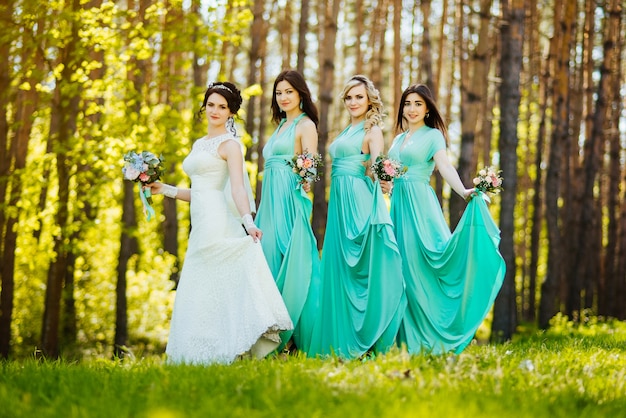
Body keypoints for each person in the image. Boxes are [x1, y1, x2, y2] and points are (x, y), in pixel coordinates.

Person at [146, 82, 293, 364]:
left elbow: (237, 188)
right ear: (204, 107)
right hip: (200, 218)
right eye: (211, 105)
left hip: (217, 219)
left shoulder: (231, 146)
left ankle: (224, 349)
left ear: (231, 113)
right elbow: (199, 190)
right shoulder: (199, 144)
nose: (215, 111)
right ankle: (196, 353)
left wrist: (248, 222)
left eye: (222, 107)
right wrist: (165, 189)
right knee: (201, 283)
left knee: (214, 281)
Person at [381, 84, 505, 355]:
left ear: (427, 109)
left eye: (418, 104)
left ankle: (432, 335)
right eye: (407, 103)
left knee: (422, 264)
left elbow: (444, 166)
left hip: (420, 207)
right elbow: (390, 173)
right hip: (398, 207)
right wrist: (385, 183)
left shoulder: (433, 136)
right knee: (400, 267)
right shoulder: (397, 140)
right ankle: (402, 339)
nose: (411, 109)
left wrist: (463, 192)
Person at [307, 75, 407, 359]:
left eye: (359, 97)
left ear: (369, 100)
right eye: (349, 97)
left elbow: (376, 164)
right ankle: (343, 337)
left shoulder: (371, 129)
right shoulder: (346, 130)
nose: (353, 102)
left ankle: (369, 335)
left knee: (361, 264)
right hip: (339, 201)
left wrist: (386, 179)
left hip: (358, 200)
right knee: (341, 267)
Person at [254, 70, 322, 353]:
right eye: (279, 92)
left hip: (287, 196)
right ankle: (270, 330)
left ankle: (293, 336)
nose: (283, 97)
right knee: (266, 258)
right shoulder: (281, 124)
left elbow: (311, 164)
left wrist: (304, 180)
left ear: (301, 94)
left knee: (288, 256)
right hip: (269, 199)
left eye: (288, 92)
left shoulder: (305, 125)